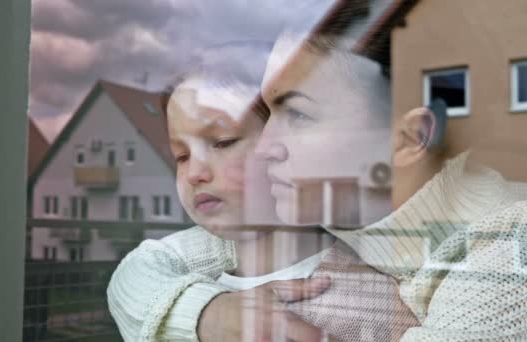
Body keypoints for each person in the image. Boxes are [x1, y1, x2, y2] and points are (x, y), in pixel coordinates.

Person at [109, 22, 527, 342]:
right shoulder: (327, 219)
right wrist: (209, 314)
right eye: (269, 114)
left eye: (299, 115)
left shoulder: (507, 260)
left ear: (408, 138)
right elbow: (141, 271)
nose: (267, 146)